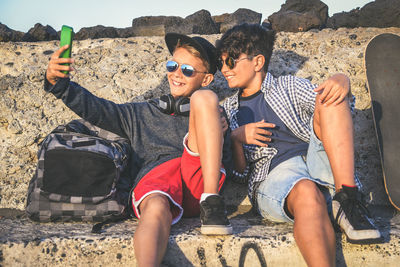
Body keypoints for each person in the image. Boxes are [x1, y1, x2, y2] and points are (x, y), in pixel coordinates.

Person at [45, 33, 233, 267]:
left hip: (200, 190)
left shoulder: (211, 112)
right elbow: (98, 110)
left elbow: (226, 162)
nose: (176, 73)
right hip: (157, 184)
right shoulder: (140, 113)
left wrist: (224, 133)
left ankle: (213, 203)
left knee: (205, 99)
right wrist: (59, 84)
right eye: (173, 65)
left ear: (205, 79)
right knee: (155, 207)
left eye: (187, 70)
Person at [217, 23, 381, 267]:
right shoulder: (230, 110)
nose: (224, 70)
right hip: (276, 179)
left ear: (258, 62)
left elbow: (337, 106)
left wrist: (340, 80)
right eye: (221, 64)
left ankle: (348, 199)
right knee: (306, 191)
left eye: (230, 61)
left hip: (318, 163)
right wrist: (236, 138)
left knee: (329, 95)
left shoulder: (287, 86)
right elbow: (239, 175)